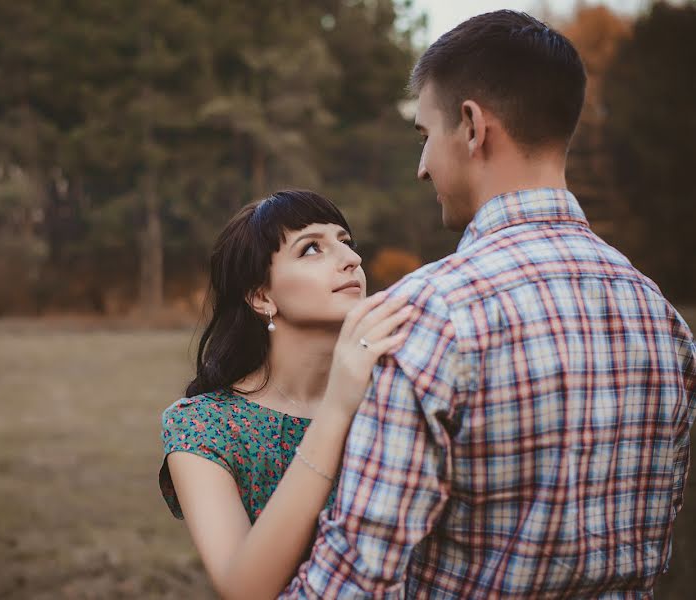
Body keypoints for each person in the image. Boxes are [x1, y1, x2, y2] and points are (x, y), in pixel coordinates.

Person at [280, 10, 696, 598]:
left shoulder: (427, 315)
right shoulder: (663, 321)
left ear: (473, 127)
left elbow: (352, 582)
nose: (421, 168)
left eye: (425, 137)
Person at [158, 189, 412, 599]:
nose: (352, 259)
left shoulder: (396, 395)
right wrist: (336, 408)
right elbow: (245, 590)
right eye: (312, 248)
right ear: (262, 296)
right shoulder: (203, 427)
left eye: (345, 243)